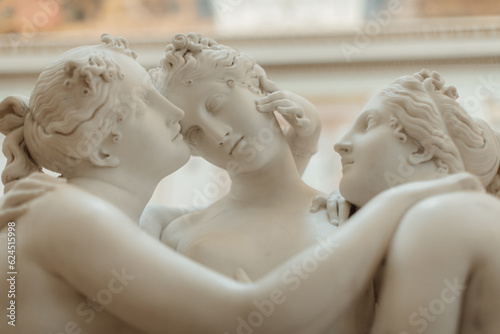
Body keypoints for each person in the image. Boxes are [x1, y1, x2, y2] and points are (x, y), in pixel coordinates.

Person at [0, 34, 478, 334]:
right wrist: (396, 203)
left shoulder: (88, 216)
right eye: (148, 101)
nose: (174, 115)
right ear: (104, 149)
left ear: (262, 90)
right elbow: (253, 315)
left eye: (217, 105)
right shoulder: (74, 216)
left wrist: (298, 154)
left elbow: (260, 204)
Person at [333, 69, 500, 334]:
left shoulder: (441, 216)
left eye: (368, 124)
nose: (339, 144)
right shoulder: (453, 214)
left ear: (421, 150)